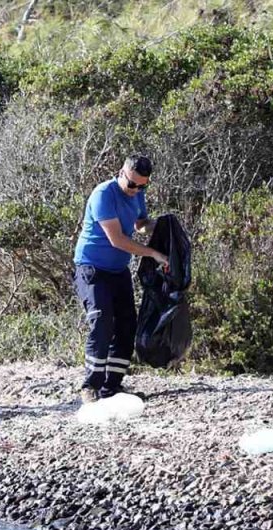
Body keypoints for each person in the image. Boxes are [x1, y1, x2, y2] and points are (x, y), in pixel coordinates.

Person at [73, 154, 169, 404]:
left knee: (127, 324)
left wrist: (158, 226)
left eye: (142, 185)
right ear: (121, 173)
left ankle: (112, 385)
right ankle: (90, 385)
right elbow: (117, 239)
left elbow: (139, 224)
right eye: (132, 184)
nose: (135, 190)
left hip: (118, 269)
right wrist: (153, 253)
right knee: (102, 320)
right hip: (92, 267)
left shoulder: (137, 194)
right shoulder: (103, 194)